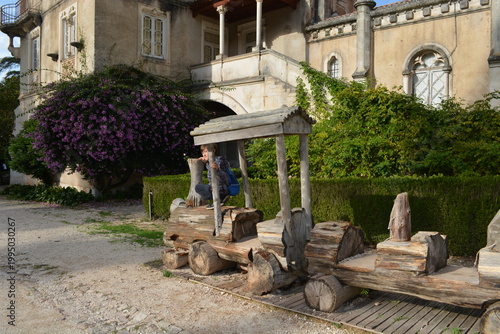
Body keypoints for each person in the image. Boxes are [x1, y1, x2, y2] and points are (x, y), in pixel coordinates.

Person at [195, 144, 231, 209]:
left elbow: (226, 178)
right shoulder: (211, 162)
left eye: (206, 151)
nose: (204, 154)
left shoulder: (218, 161)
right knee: (198, 188)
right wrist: (206, 162)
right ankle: (218, 200)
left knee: (199, 188)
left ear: (213, 151)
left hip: (221, 190)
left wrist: (218, 170)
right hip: (217, 188)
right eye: (202, 152)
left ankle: (219, 198)